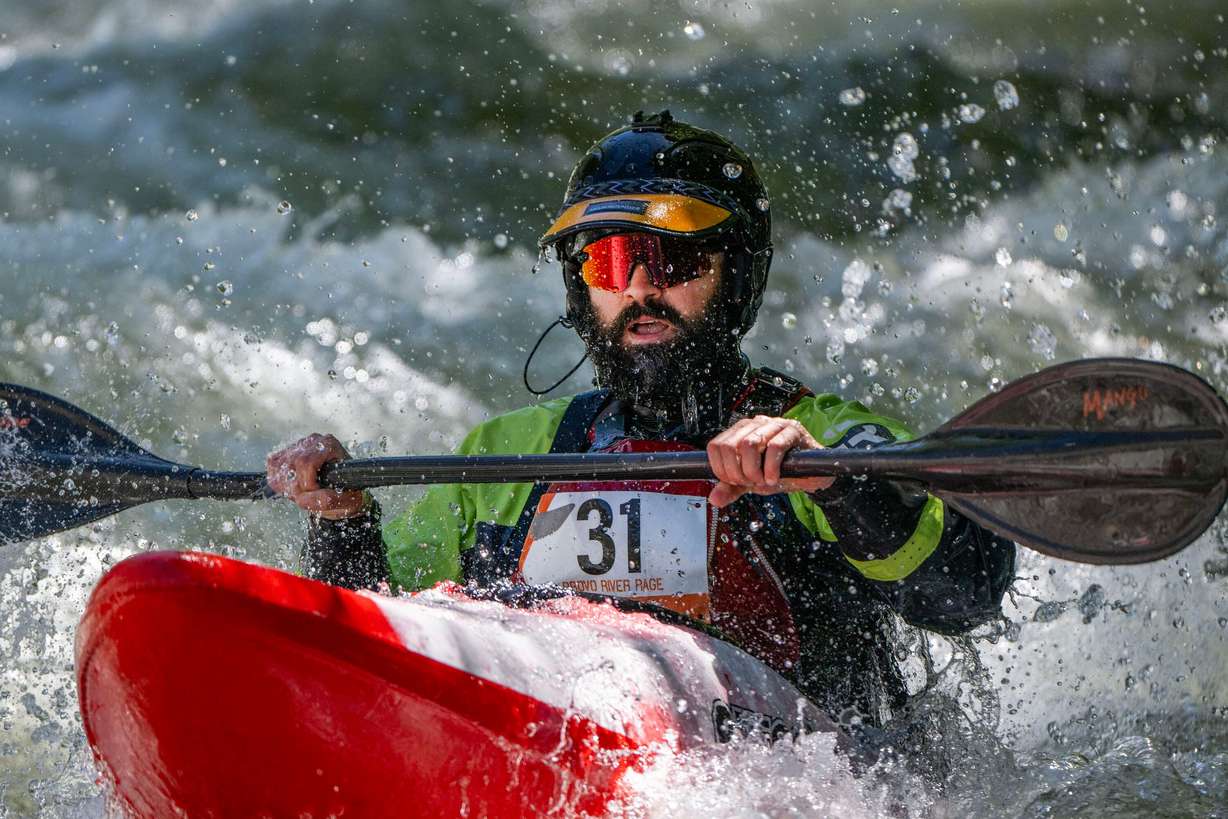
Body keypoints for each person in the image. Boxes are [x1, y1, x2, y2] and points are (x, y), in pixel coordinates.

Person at [266, 110, 1015, 728]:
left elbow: (967, 588)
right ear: (578, 286)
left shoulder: (820, 433)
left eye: (676, 261)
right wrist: (343, 519)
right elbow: (371, 628)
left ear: (738, 277)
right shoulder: (513, 452)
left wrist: (837, 484)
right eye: (609, 263)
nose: (640, 288)